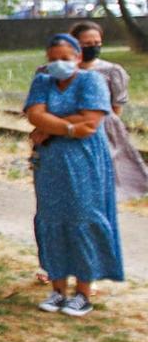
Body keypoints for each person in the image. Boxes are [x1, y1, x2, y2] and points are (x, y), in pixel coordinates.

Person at [26, 33, 124, 317]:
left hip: (85, 161)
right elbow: (35, 114)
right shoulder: (42, 81)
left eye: (65, 59)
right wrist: (70, 126)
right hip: (51, 163)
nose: (59, 64)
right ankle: (58, 289)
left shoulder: (91, 81)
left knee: (83, 217)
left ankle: (83, 292)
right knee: (52, 218)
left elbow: (91, 122)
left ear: (78, 58)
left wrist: (52, 128)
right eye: (53, 59)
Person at [70, 21, 148, 200]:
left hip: (102, 130)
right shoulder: (62, 71)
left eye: (97, 43)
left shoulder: (111, 71)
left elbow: (116, 106)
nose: (93, 48)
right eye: (87, 44)